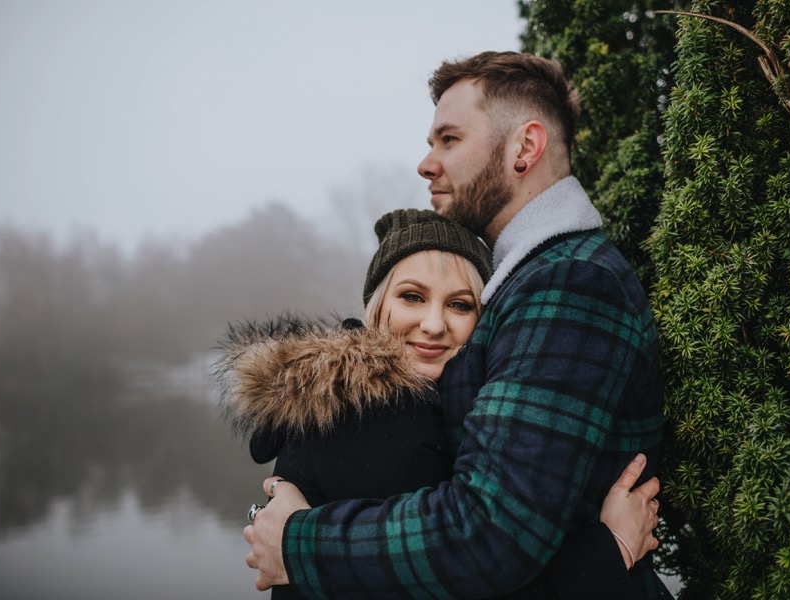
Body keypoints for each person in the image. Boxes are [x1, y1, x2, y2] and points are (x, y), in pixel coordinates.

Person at [246, 51, 670, 599]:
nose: (426, 163)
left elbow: (488, 534)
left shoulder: (568, 282)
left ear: (525, 147)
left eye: (449, 140)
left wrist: (296, 543)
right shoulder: (530, 279)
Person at [218, 209, 660, 598]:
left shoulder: (406, 402)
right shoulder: (377, 416)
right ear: (375, 306)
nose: (433, 324)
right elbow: (470, 578)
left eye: (460, 305)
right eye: (412, 297)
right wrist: (612, 548)